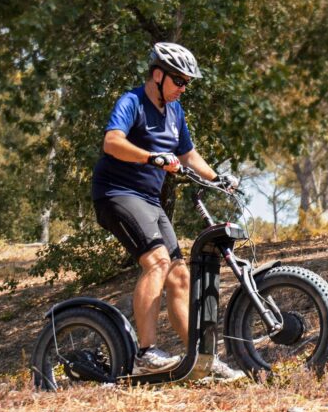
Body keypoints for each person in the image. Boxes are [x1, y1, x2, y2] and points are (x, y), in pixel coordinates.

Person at [91, 42, 241, 379]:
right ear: (158, 75)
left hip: (148, 199)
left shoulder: (175, 112)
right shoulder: (132, 102)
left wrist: (217, 178)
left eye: (187, 83)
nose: (183, 88)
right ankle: (145, 354)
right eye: (179, 81)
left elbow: (188, 154)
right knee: (157, 262)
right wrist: (151, 157)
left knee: (179, 275)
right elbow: (112, 142)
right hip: (116, 193)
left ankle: (202, 361)